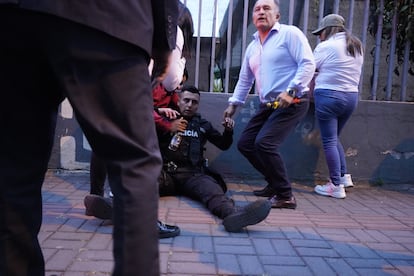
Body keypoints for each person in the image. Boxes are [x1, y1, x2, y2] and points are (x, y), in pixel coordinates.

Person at [0, 1, 179, 275]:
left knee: (14, 170)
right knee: (134, 163)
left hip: (14, 17)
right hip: (108, 14)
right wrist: (164, 40)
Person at [83, 85, 272, 232]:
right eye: (186, 101)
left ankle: (233, 216)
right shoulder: (165, 119)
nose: (189, 105)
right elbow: (142, 123)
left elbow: (223, 144)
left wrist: (229, 131)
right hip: (164, 173)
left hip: (193, 175)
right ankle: (117, 209)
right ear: (178, 101)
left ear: (198, 104)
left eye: (194, 102)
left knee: (213, 192)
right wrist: (159, 114)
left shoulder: (202, 124)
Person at [85, 2, 194, 239]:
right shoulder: (171, 19)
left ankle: (100, 196)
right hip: (133, 80)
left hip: (91, 59)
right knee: (140, 148)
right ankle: (141, 219)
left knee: (105, 137)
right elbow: (172, 79)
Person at [223, 0, 315, 209]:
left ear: (277, 16)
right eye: (257, 9)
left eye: (266, 8)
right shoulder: (253, 46)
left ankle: (285, 195)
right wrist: (234, 104)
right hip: (268, 104)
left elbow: (308, 63)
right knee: (246, 144)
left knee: (264, 143)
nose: (261, 12)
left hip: (293, 101)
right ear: (253, 17)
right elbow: (245, 80)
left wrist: (291, 91)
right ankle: (274, 183)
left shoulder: (290, 34)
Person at [311, 14, 363, 198]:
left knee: (329, 140)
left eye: (321, 33)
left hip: (329, 96)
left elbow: (309, 69)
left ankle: (335, 185)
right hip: (351, 97)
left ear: (329, 30)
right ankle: (343, 177)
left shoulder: (326, 46)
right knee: (334, 137)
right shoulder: (356, 46)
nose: (319, 37)